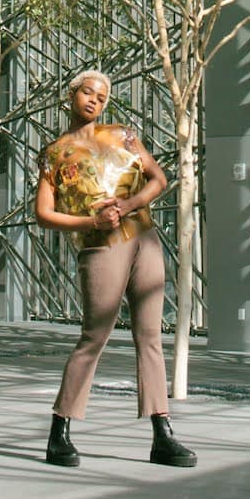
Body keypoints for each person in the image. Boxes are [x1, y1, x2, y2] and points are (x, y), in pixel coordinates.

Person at [35, 69, 197, 468]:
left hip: (144, 238)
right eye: (87, 92)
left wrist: (127, 205)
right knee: (94, 337)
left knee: (150, 336)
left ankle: (162, 434)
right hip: (98, 247)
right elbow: (43, 214)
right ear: (71, 95)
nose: (94, 100)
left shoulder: (123, 135)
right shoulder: (54, 154)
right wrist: (93, 223)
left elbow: (158, 179)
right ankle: (60, 431)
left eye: (102, 96)